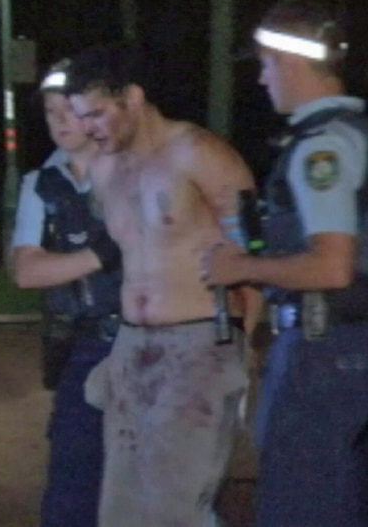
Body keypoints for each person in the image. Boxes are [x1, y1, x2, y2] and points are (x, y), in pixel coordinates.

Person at [201, 0, 368, 527]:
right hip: (343, 343)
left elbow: (333, 267)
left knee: (298, 500)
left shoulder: (324, 148)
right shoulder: (359, 135)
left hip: (321, 347)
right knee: (333, 494)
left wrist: (241, 268)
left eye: (267, 65)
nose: (264, 80)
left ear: (291, 64)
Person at [62, 42, 263, 527]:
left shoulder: (202, 154)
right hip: (132, 350)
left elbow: (255, 254)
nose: (87, 128)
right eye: (80, 118)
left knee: (175, 508)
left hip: (198, 347)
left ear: (132, 98)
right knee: (121, 510)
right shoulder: (104, 169)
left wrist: (243, 345)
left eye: (96, 114)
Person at [10, 59, 122, 527]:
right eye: (50, 111)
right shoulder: (41, 185)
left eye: (68, 110)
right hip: (84, 345)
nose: (58, 121)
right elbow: (25, 270)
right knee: (72, 489)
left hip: (151, 342)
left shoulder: (134, 169)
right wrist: (102, 255)